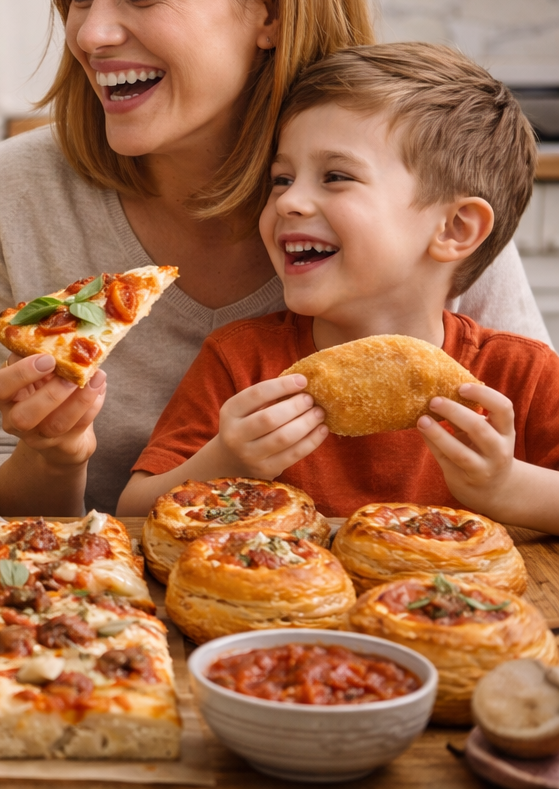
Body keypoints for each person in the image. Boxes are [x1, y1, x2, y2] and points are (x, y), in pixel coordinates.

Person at [0, 0, 549, 517]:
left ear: (273, 6)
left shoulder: (417, 185)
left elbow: (526, 457)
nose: (90, 34)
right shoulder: (15, 192)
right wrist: (49, 455)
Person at [116, 44, 559, 532]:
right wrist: (225, 461)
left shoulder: (521, 376)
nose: (290, 202)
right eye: (282, 179)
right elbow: (133, 512)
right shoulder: (242, 363)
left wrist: (507, 487)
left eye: (336, 176)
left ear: (455, 228)